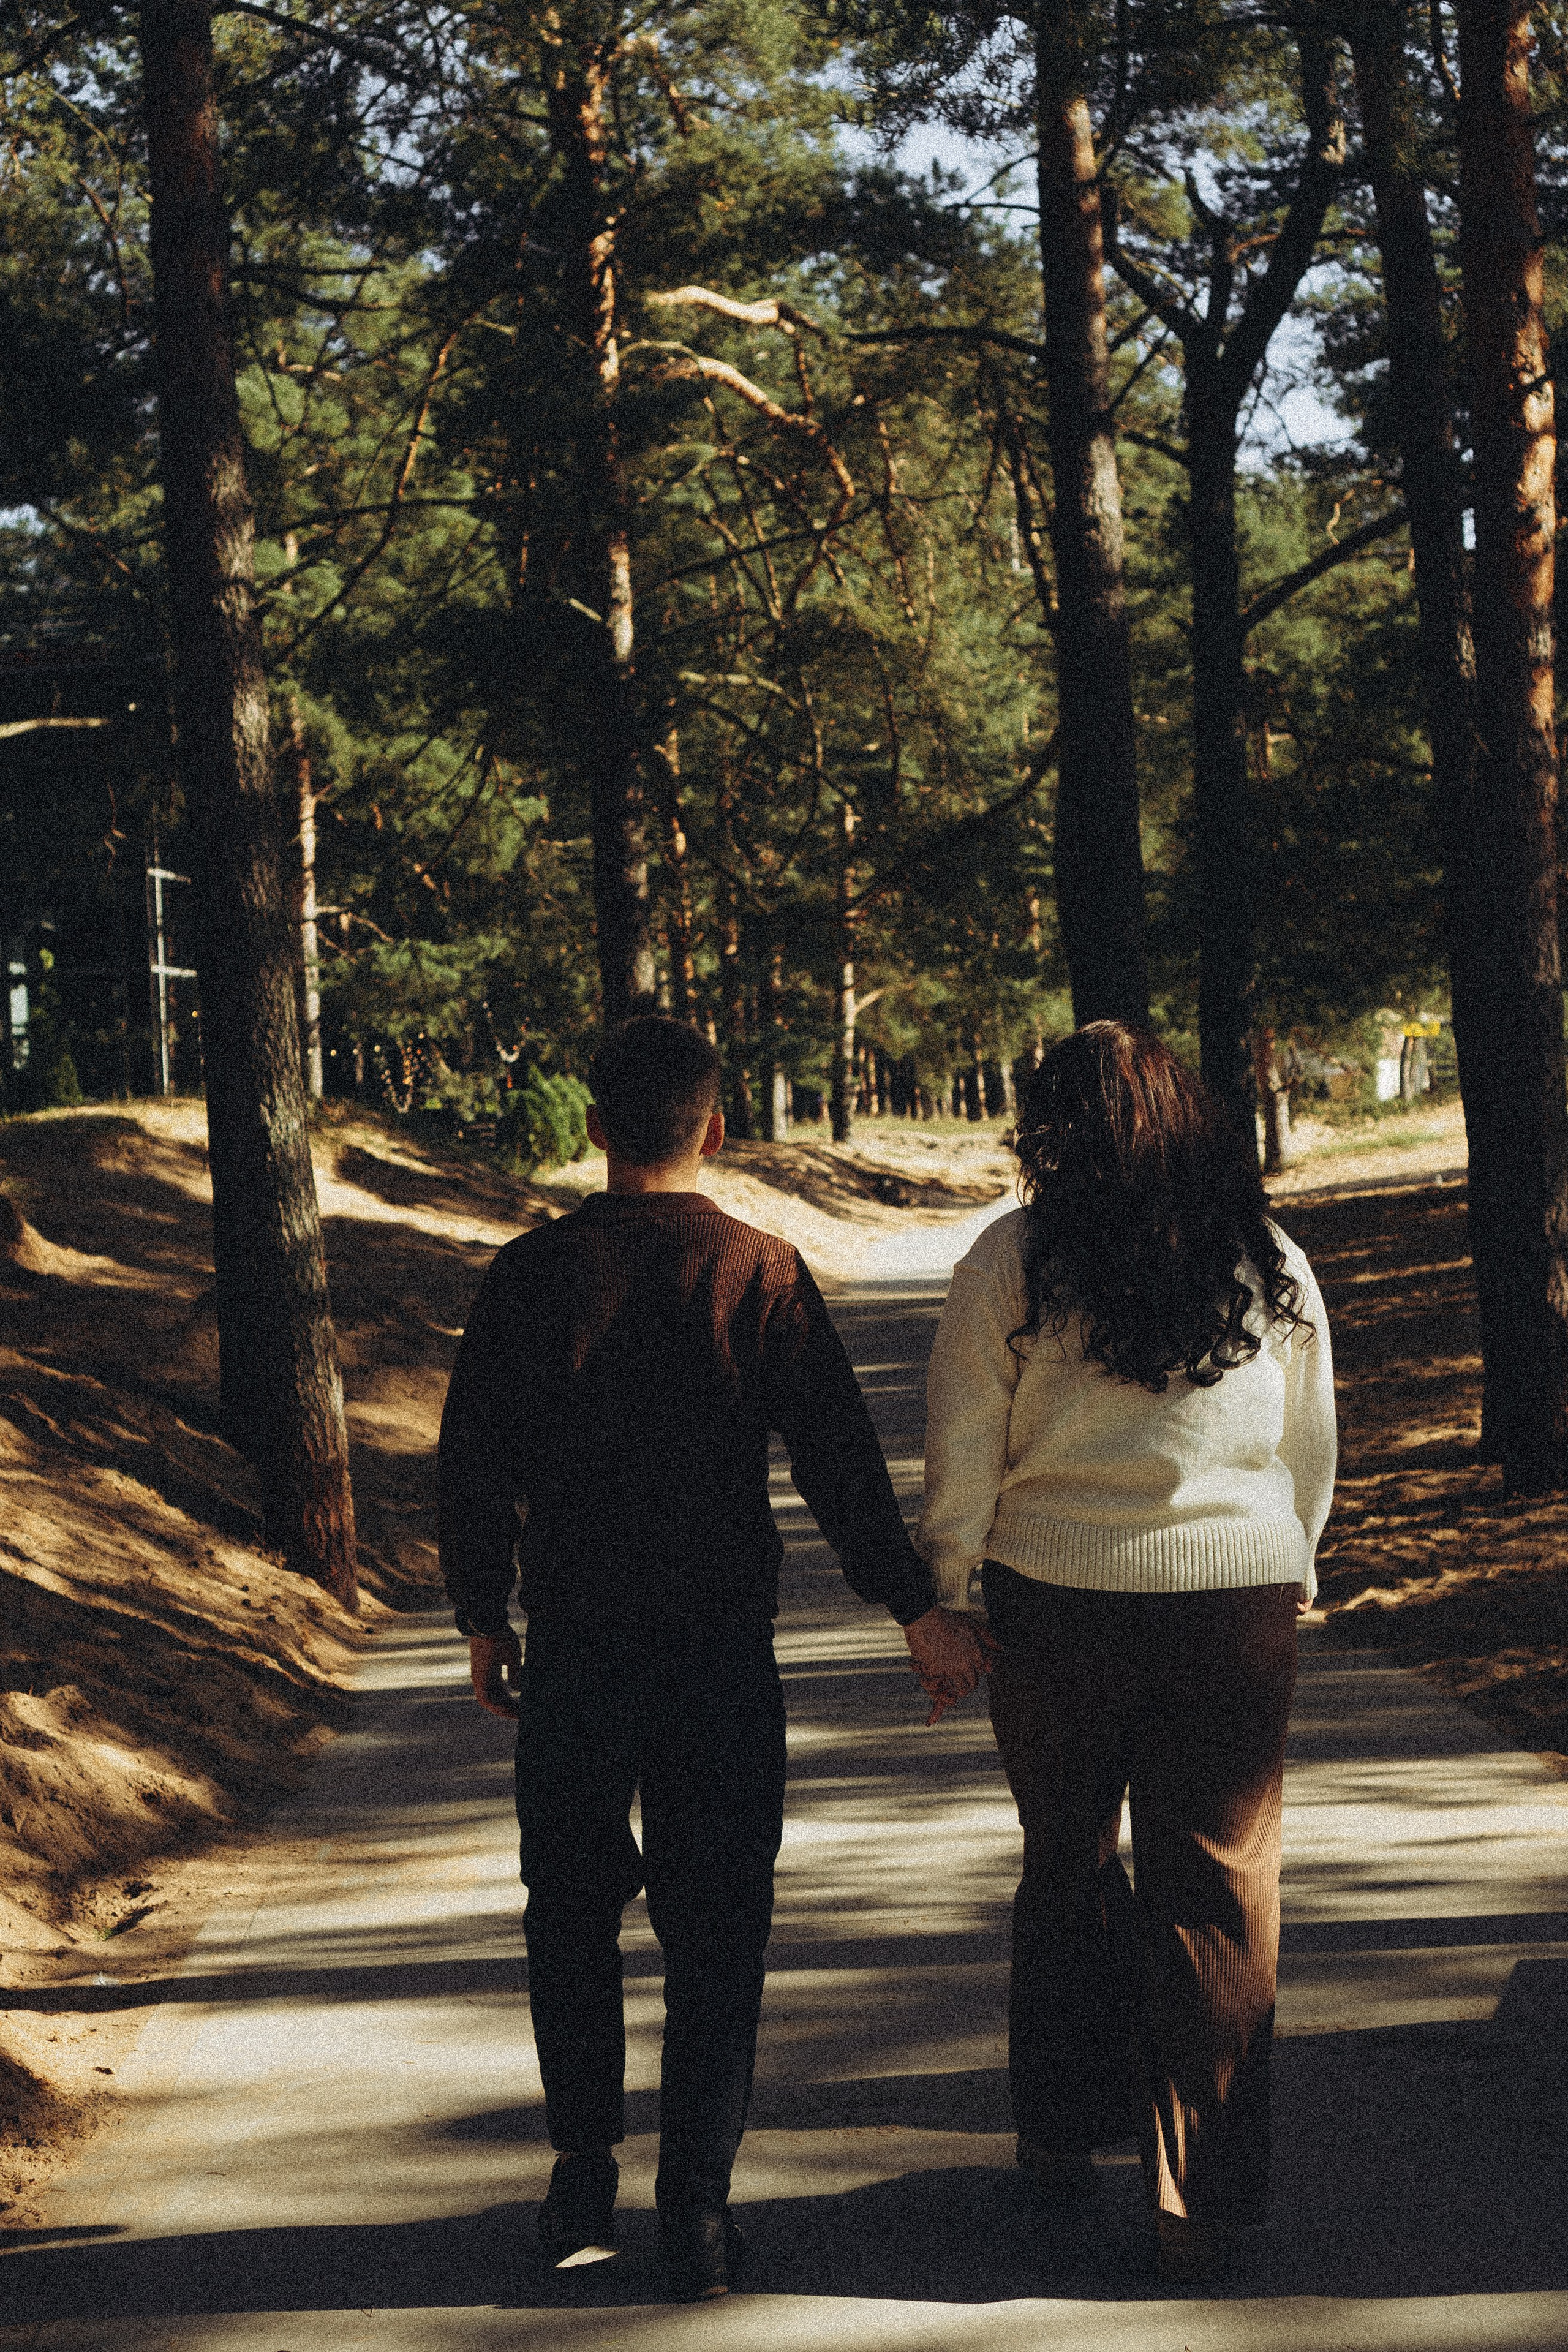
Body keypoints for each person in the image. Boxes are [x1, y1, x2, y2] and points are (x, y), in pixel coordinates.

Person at [438, 1016, 988, 2301]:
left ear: (591, 1129)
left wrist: (482, 1616)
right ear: (717, 1129)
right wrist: (916, 1610)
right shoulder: (761, 1271)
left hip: (575, 1656)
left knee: (567, 1918)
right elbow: (841, 1470)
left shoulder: (527, 1275)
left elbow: (473, 1465)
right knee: (718, 1930)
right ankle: (694, 2215)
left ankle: (580, 2192)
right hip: (718, 1659)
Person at [917, 1022, 1336, 2286]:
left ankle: (1057, 2133)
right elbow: (1307, 1442)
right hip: (1234, 1600)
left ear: (1052, 1129)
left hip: (1054, 1603)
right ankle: (1200, 2202)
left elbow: (961, 1444)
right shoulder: (1264, 1257)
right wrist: (1286, 1565)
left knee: (1064, 1863)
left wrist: (945, 1590)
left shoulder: (1015, 1258)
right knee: (1218, 1892)